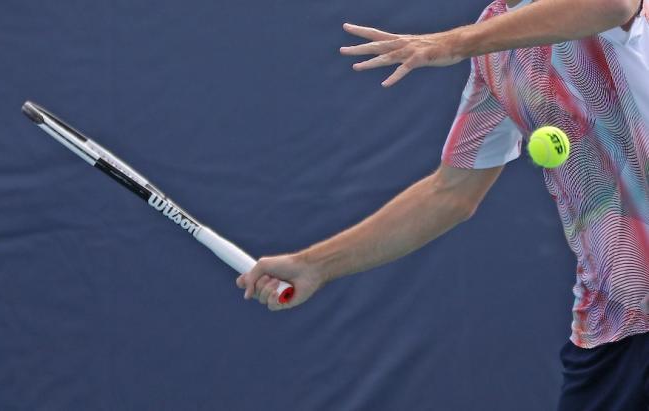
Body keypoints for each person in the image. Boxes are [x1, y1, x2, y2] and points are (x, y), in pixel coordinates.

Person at [237, 0, 649, 408]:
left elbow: (612, 4)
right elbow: (450, 193)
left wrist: (457, 43)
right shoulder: (495, 47)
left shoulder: (489, 36)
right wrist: (317, 264)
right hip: (616, 323)